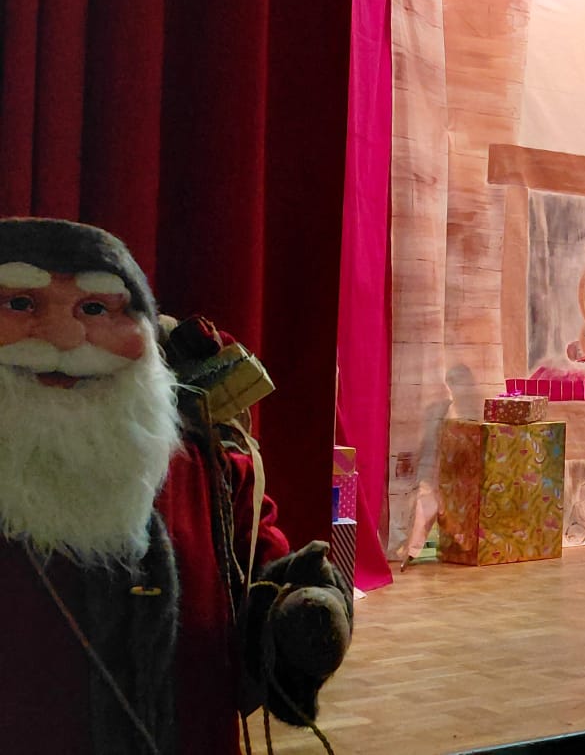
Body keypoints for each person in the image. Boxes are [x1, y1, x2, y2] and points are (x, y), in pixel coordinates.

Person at [0, 217, 351, 752]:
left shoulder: (209, 464)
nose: (65, 341)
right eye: (21, 304)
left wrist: (297, 622)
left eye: (95, 309)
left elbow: (255, 579)